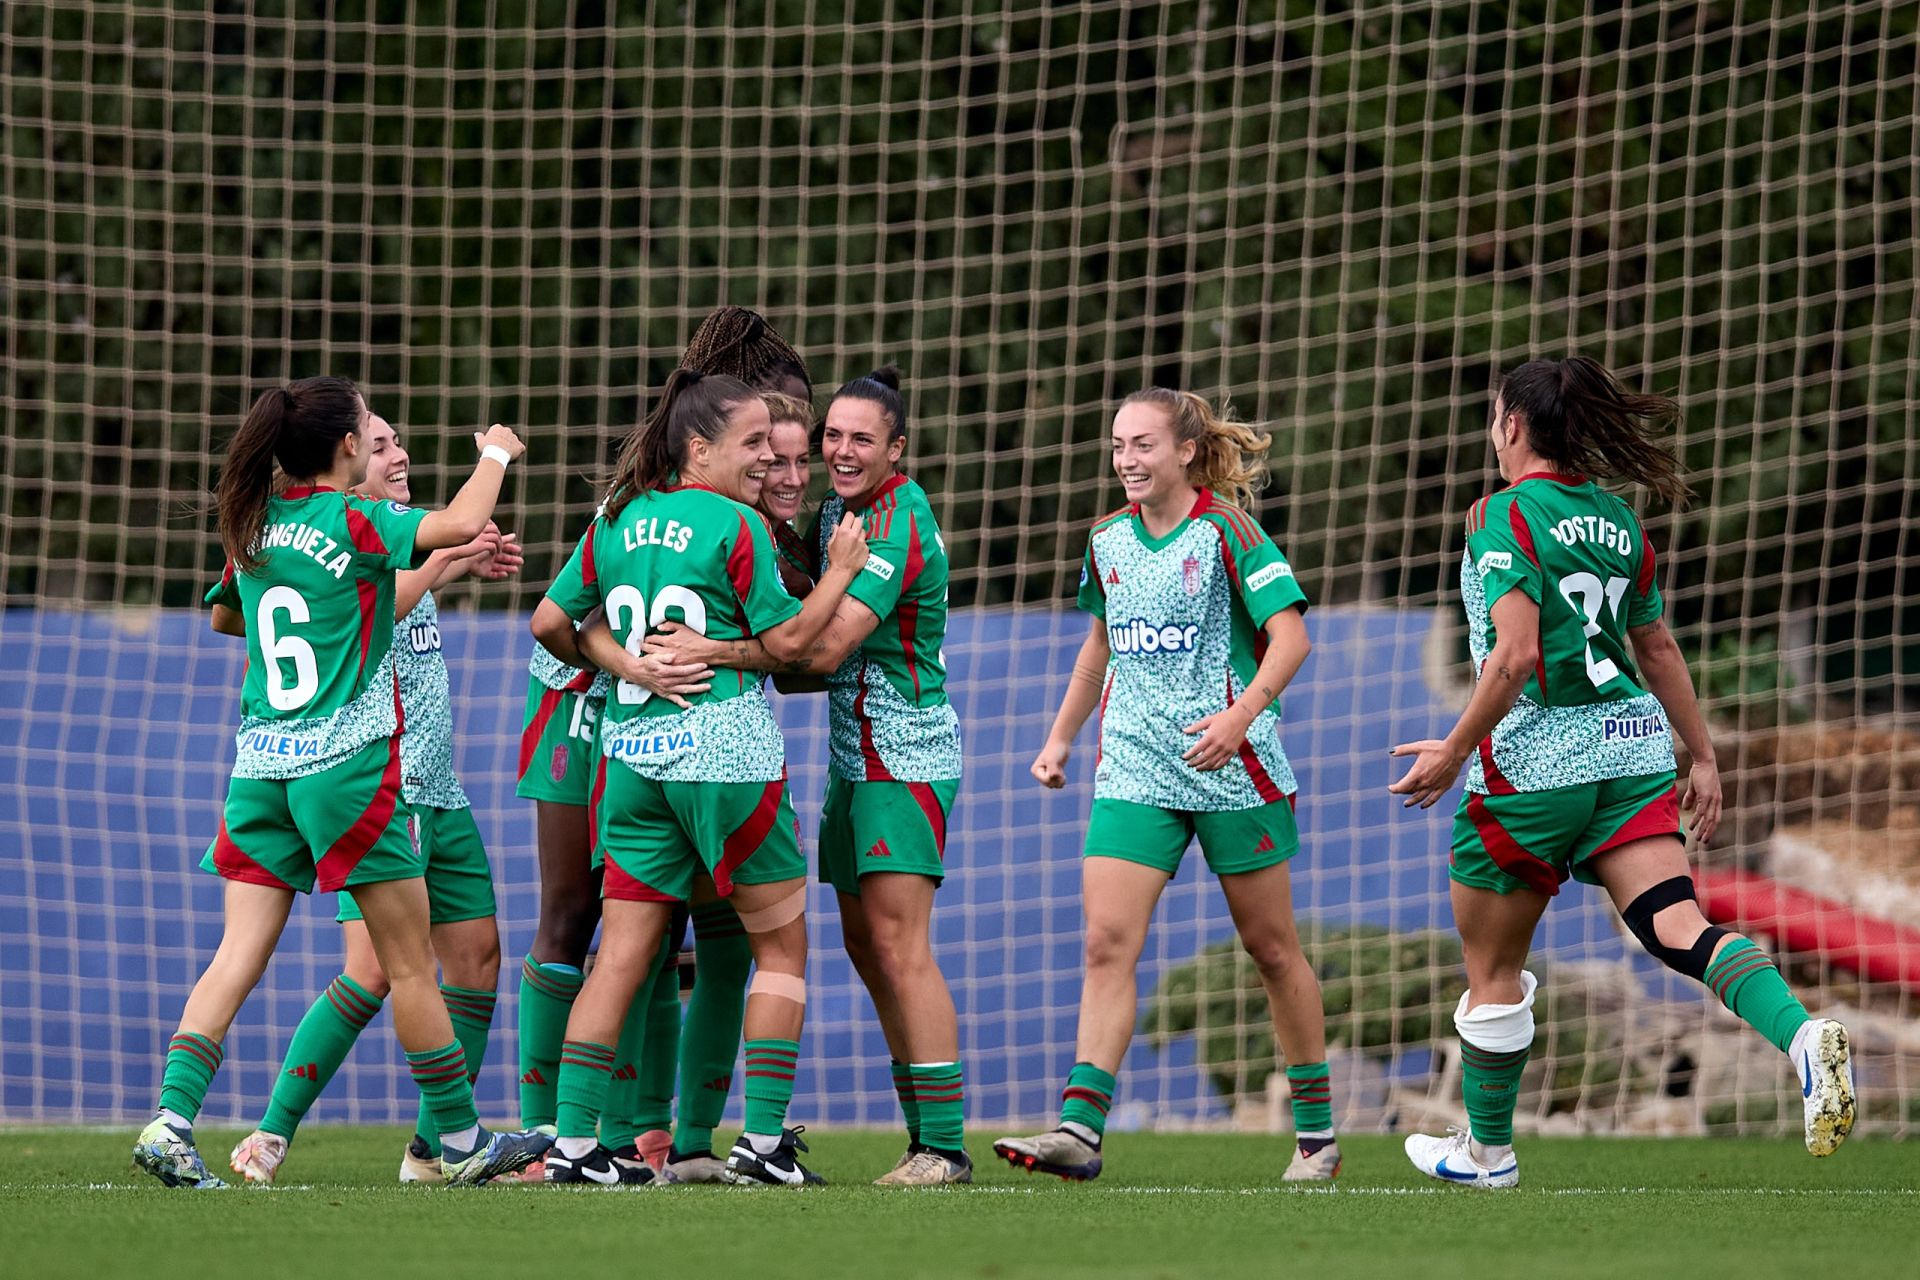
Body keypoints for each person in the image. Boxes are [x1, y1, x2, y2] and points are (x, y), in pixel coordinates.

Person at [1390, 356, 1854, 1188]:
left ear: (1514, 427)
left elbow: (1517, 655)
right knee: (1679, 928)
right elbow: (1657, 645)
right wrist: (1701, 754)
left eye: (1495, 417)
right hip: (1634, 752)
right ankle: (1800, 1037)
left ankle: (1488, 1153)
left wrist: (1455, 747)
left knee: (1494, 969)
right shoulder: (1616, 521)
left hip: (1537, 769)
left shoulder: (1500, 515)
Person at [133, 376, 548, 1188]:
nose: (381, 444)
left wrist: (335, 611)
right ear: (348, 449)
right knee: (406, 967)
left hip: (260, 768)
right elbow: (462, 519)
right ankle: (459, 1145)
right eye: (372, 431)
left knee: (239, 950)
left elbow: (226, 615)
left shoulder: (256, 524)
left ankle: (169, 1120)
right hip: (344, 770)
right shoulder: (351, 517)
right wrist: (497, 449)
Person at [991, 388, 1340, 1183]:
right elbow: (1098, 651)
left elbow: (1292, 639)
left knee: (1273, 949)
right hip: (1135, 768)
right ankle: (1079, 1132)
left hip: (1233, 765)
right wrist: (1059, 739)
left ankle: (1316, 1137)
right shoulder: (1106, 540)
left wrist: (1241, 716)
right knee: (1104, 943)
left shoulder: (1227, 531)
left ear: (1185, 451)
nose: (1126, 460)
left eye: (1142, 445)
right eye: (1117, 446)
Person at [530, 369, 868, 1187]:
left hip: (633, 760)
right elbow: (788, 646)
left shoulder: (614, 518)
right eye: (752, 444)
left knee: (623, 956)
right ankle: (761, 1145)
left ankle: (574, 1147)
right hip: (728, 761)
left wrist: (628, 668)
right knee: (781, 946)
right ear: (699, 448)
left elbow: (548, 622)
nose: (766, 459)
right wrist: (844, 572)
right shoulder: (735, 525)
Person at [643, 367, 970, 1186]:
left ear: (897, 448)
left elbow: (818, 652)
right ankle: (921, 1136)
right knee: (867, 948)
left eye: (863, 439)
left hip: (907, 758)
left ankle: (945, 1147)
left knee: (902, 946)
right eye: (834, 436)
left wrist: (708, 649)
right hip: (851, 761)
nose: (841, 451)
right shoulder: (836, 516)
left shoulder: (895, 520)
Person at [222, 412, 523, 1185]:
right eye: (381, 441)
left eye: (398, 441)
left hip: (438, 789)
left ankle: (435, 1149)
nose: (399, 451)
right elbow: (384, 602)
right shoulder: (345, 536)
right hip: (375, 786)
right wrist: (455, 551)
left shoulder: (381, 537)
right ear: (350, 455)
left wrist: (458, 557)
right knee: (377, 972)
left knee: (479, 957)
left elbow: (406, 588)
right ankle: (272, 1134)